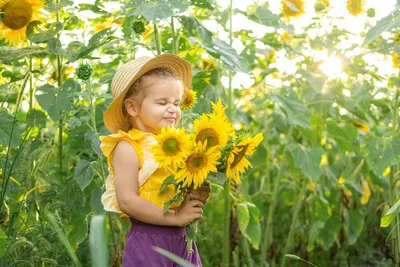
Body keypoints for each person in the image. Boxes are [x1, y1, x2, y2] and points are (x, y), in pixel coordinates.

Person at [99, 54, 210, 267]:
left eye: (177, 103)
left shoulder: (177, 145)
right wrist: (175, 216)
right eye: (162, 102)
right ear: (132, 108)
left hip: (183, 239)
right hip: (149, 240)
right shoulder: (128, 147)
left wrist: (198, 193)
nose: (173, 109)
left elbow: (183, 189)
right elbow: (128, 201)